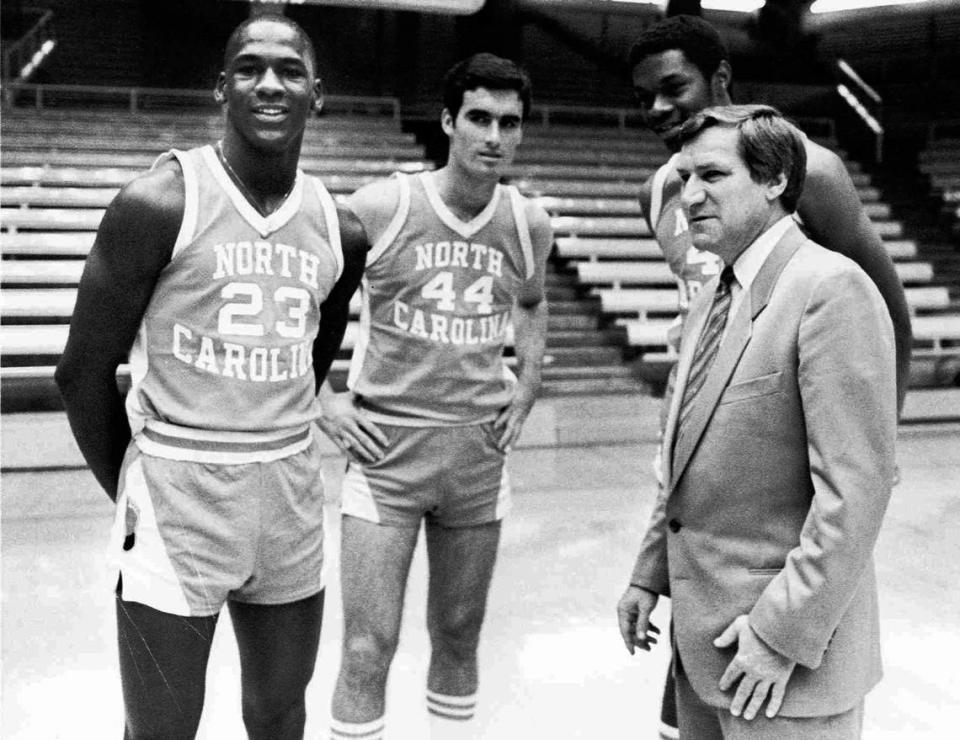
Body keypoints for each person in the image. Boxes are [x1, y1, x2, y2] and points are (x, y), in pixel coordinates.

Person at [55, 14, 367, 739]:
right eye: (250, 68)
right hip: (179, 493)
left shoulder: (339, 227)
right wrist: (135, 483)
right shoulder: (160, 203)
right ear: (220, 88)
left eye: (290, 70)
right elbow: (81, 373)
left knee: (281, 714)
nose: (270, 84)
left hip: (289, 495)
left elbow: (313, 358)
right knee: (162, 727)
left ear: (316, 95)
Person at [627, 16, 912, 737]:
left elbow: (880, 304)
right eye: (687, 178)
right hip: (706, 574)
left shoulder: (816, 198)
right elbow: (688, 427)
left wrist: (875, 443)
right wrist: (650, 568)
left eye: (674, 88)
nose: (658, 109)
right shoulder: (672, 216)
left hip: (788, 575)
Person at [318, 53, 552, 740]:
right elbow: (306, 300)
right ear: (449, 122)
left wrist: (529, 381)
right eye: (479, 118)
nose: (494, 137)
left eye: (510, 123)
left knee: (458, 637)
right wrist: (320, 399)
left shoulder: (527, 222)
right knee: (368, 647)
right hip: (388, 452)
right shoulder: (383, 206)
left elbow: (532, 305)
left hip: (478, 455)